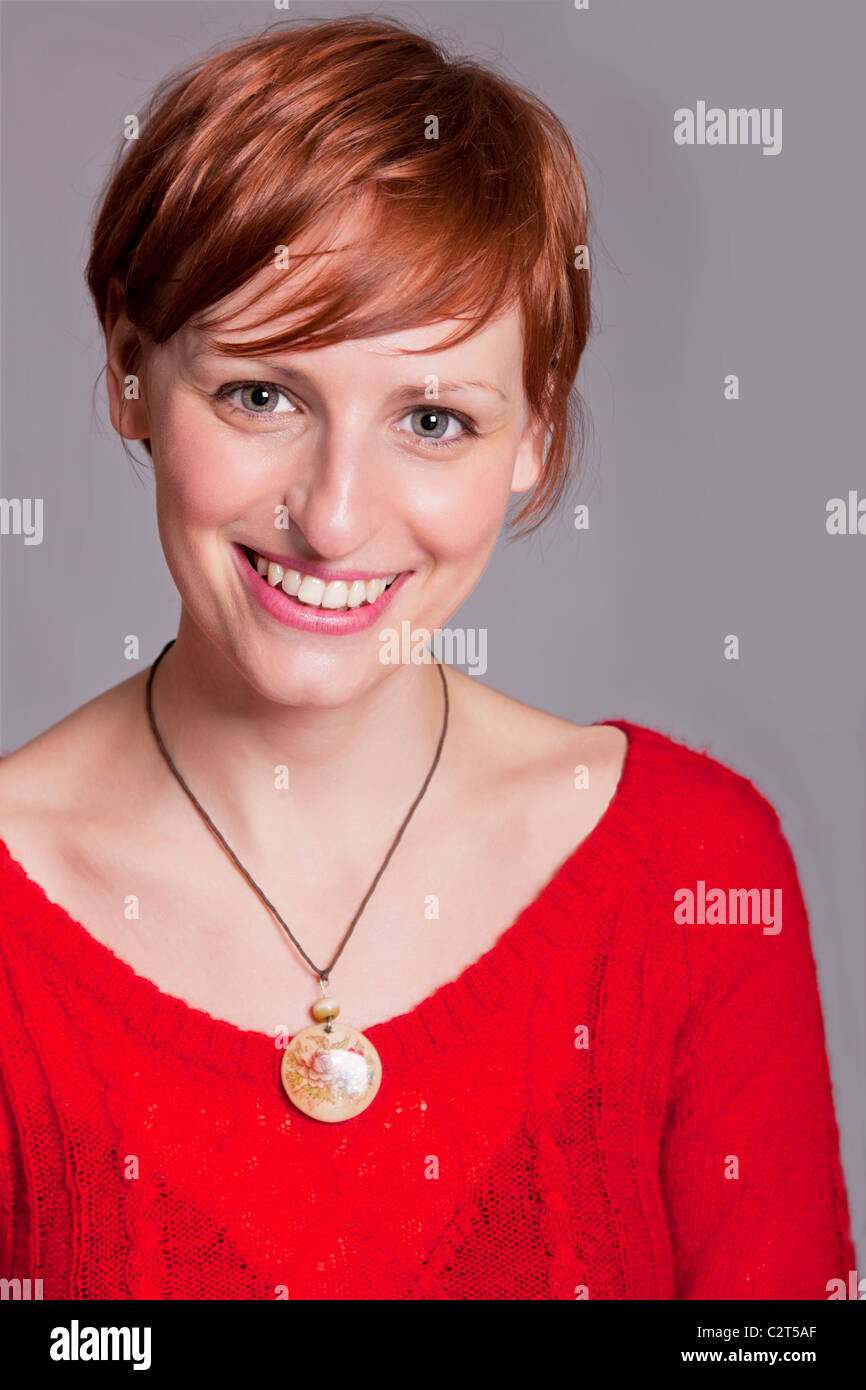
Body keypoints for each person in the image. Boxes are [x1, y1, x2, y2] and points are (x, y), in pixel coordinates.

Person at [0, 15, 854, 1299]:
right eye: (260, 395)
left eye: (434, 417)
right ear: (131, 370)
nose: (336, 515)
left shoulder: (692, 879)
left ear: (534, 442)